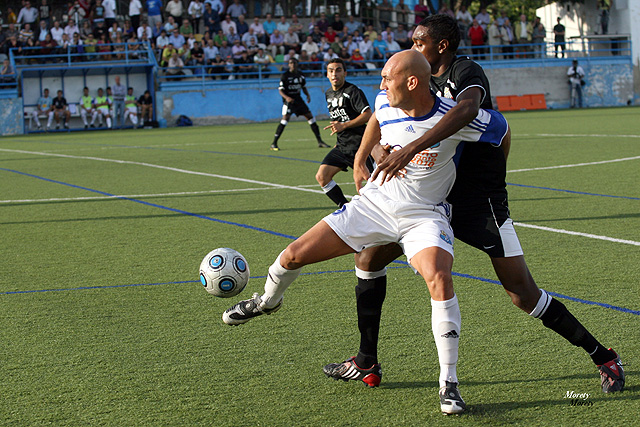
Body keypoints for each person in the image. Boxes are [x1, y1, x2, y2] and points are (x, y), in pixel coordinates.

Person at [327, 14, 624, 400]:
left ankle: (604, 357)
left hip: (477, 203)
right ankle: (367, 361)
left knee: (522, 293)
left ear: (441, 46)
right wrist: (369, 150)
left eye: (419, 42)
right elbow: (384, 111)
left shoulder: (466, 71)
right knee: (369, 260)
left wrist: (484, 177)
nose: (414, 48)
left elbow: (473, 115)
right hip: (431, 201)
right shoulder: (419, 83)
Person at [223, 50, 510, 417]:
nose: (380, 84)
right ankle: (266, 302)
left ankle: (448, 384)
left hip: (424, 216)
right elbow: (377, 122)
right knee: (292, 255)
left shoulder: (452, 117)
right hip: (372, 206)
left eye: (388, 78)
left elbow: (500, 131)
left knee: (439, 277)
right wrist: (370, 151)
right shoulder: (384, 103)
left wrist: (490, 186)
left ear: (412, 82)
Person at [317, 58, 373, 208]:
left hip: (360, 146)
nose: (334, 74)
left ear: (345, 73)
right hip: (342, 146)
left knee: (374, 185)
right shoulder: (328, 93)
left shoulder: (352, 91)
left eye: (338, 70)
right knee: (323, 176)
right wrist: (339, 134)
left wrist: (345, 125)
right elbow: (339, 120)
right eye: (331, 71)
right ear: (327, 75)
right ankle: (344, 208)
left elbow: (367, 114)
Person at [270, 58, 328, 151]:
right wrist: (287, 98)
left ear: (297, 64)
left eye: (294, 63)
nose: (292, 64)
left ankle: (320, 141)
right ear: (288, 65)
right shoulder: (285, 75)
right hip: (289, 101)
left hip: (299, 100)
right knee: (285, 120)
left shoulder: (300, 74)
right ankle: (274, 143)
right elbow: (280, 90)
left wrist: (308, 95)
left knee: (310, 117)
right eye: (291, 63)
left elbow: (303, 87)